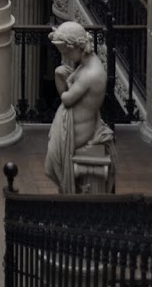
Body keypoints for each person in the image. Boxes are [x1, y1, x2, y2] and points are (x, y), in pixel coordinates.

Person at [44, 21, 114, 194]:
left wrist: (60, 78)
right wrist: (64, 77)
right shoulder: (87, 64)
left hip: (79, 132)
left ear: (76, 47)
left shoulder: (90, 74)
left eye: (66, 52)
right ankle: (70, 192)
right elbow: (71, 82)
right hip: (74, 123)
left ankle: (73, 193)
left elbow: (67, 98)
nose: (66, 57)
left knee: (51, 167)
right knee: (51, 167)